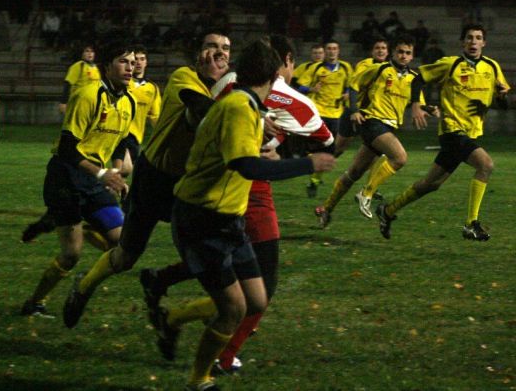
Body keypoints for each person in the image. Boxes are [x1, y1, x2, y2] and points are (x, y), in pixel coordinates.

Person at [138, 34, 334, 373]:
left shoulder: (228, 87)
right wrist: (298, 158)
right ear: (283, 65)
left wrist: (274, 141)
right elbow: (322, 142)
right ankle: (218, 358)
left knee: (242, 280)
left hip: (222, 192)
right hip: (233, 194)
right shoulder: (256, 103)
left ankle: (165, 289)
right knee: (255, 287)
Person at [61, 30, 232, 328]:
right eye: (211, 47)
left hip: (188, 186)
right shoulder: (184, 77)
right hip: (154, 179)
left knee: (205, 253)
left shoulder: (231, 91)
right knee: (126, 256)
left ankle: (180, 302)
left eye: (225, 49)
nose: (219, 53)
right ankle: (84, 286)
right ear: (198, 53)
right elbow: (202, 113)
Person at [20, 42, 136, 318]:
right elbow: (67, 148)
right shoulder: (87, 95)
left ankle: (81, 283)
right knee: (71, 255)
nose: (130, 68)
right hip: (65, 178)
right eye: (123, 61)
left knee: (122, 245)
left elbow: (121, 143)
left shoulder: (128, 101)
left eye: (132, 63)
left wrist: (116, 173)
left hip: (94, 180)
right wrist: (101, 173)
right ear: (107, 67)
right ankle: (34, 303)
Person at [376, 24, 510, 241]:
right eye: (469, 38)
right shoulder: (450, 64)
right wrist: (417, 105)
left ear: (484, 43)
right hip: (452, 131)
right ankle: (471, 224)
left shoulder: (492, 67)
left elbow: (502, 104)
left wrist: (502, 97)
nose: (473, 41)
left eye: (478, 38)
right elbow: (418, 78)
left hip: (471, 133)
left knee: (431, 184)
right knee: (485, 165)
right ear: (463, 42)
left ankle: (388, 210)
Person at [315, 34, 432, 228]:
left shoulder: (413, 79)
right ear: (393, 53)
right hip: (373, 121)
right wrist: (353, 110)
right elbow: (353, 86)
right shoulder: (379, 69)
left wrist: (429, 109)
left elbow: (418, 102)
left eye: (408, 53)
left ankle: (327, 209)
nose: (403, 56)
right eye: (400, 52)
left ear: (412, 56)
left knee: (354, 172)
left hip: (388, 126)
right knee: (400, 158)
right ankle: (366, 193)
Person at [296, 40, 352, 197]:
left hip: (336, 114)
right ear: (325, 52)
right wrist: (311, 89)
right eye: (329, 49)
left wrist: (347, 93)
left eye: (334, 48)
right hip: (318, 112)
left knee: (335, 149)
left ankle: (314, 179)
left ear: (338, 51)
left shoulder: (346, 68)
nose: (332, 51)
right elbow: (299, 86)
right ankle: (311, 172)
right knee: (313, 147)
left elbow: (351, 85)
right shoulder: (316, 68)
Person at [334, 38, 389, 158]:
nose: (380, 51)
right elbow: (355, 84)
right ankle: (314, 171)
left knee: (376, 151)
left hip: (374, 114)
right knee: (339, 147)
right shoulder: (365, 64)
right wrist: (354, 109)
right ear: (372, 51)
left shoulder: (390, 68)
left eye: (383, 48)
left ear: (388, 52)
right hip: (355, 111)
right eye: (377, 48)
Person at [58, 44, 101, 115]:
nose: (90, 53)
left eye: (92, 51)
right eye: (87, 51)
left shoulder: (95, 68)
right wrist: (63, 102)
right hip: (78, 104)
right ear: (82, 54)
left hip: (92, 104)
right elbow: (68, 84)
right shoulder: (78, 66)